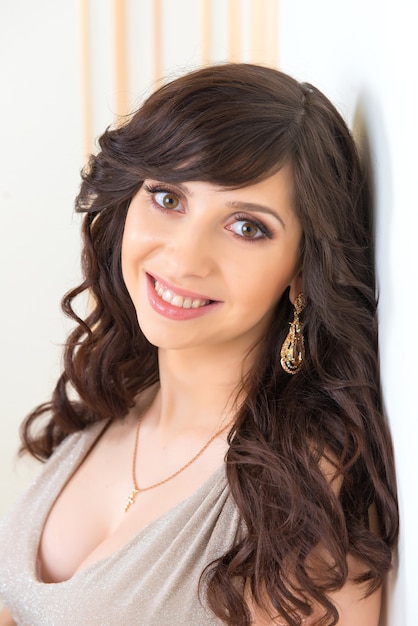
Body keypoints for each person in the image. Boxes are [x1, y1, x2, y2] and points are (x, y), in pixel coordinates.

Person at [0, 63, 398, 625]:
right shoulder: (114, 403)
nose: (185, 258)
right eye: (167, 197)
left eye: (247, 227)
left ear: (302, 270)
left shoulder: (299, 505)